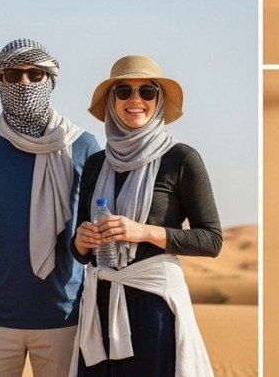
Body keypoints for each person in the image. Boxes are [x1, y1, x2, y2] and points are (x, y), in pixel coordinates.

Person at [0, 39, 99, 377]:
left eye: (35, 74)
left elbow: (98, 227)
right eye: (14, 75)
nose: (24, 83)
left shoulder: (83, 146)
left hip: (65, 317)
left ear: (50, 80)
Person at [70, 55, 223, 376]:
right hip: (99, 302)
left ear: (159, 100)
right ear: (112, 101)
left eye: (147, 92)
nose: (135, 100)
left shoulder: (181, 159)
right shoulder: (98, 163)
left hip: (153, 304)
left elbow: (211, 239)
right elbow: (80, 250)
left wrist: (143, 232)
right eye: (124, 91)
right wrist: (81, 242)